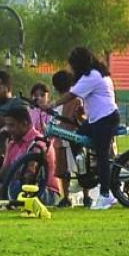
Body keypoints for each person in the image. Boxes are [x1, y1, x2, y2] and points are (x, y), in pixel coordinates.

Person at [57, 46, 120, 210]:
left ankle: (106, 195)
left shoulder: (92, 76)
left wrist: (52, 104)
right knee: (74, 139)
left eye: (73, 65)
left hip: (105, 119)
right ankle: (84, 176)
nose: (71, 69)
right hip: (95, 119)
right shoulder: (95, 73)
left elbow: (72, 94)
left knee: (102, 157)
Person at [0, 103, 60, 204]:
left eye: (11, 125)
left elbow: (30, 174)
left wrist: (5, 186)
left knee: (17, 187)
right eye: (6, 125)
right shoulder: (12, 144)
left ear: (24, 124)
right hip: (16, 185)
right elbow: (3, 173)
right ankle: (4, 201)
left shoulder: (39, 143)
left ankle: (2, 201)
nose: (8, 129)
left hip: (44, 191)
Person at [50, 70, 85, 207]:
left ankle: (66, 197)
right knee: (79, 168)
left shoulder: (64, 101)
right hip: (71, 137)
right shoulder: (76, 100)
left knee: (65, 170)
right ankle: (84, 196)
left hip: (67, 137)